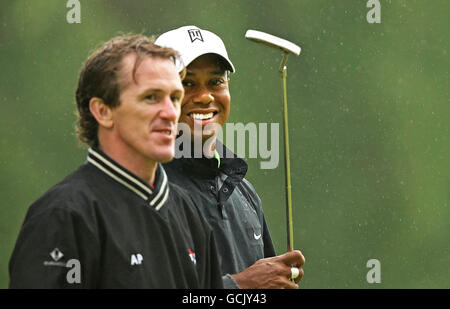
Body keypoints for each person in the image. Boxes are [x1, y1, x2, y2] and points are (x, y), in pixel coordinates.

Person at [9, 34, 223, 288]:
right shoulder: (62, 216)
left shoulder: (190, 214)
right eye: (151, 97)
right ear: (103, 111)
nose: (169, 113)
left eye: (174, 98)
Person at [156, 26, 305, 289]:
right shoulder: (147, 190)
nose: (205, 97)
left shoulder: (244, 193)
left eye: (216, 82)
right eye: (187, 83)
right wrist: (241, 285)